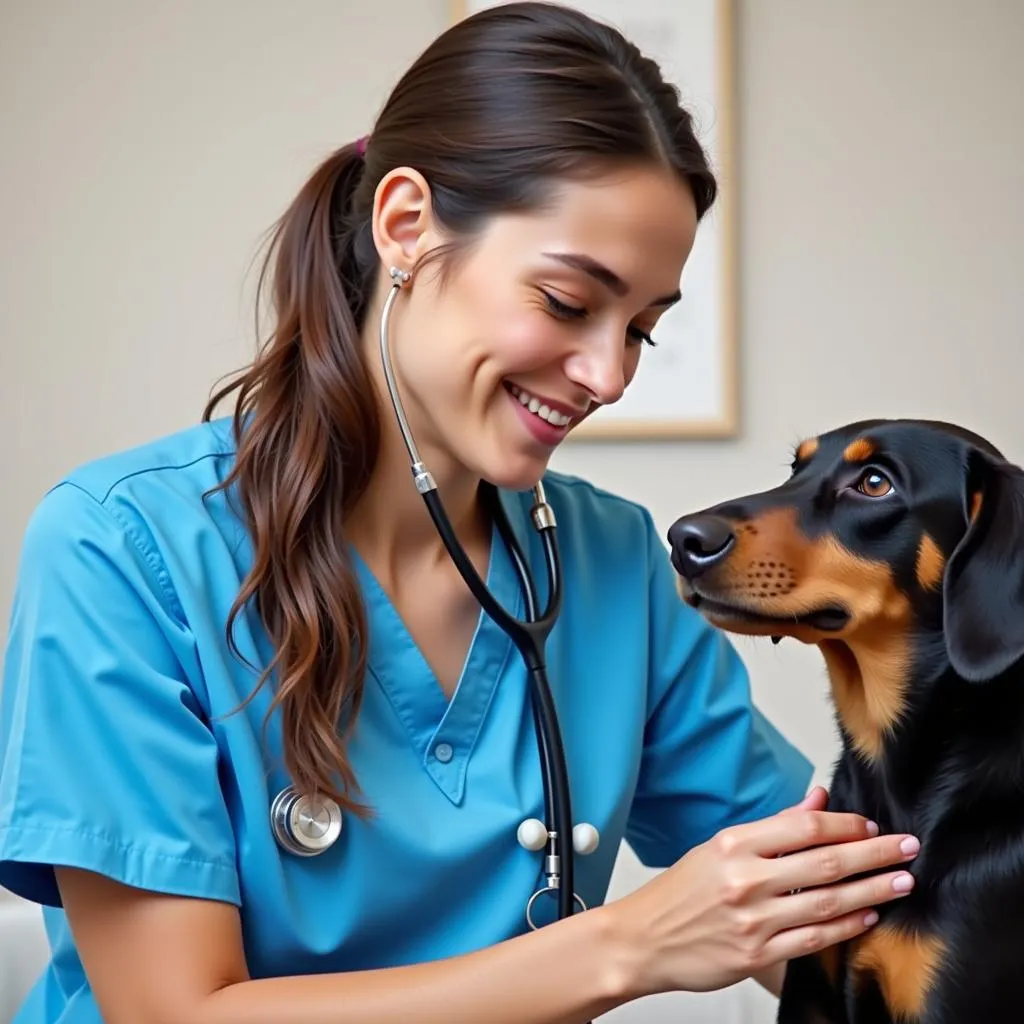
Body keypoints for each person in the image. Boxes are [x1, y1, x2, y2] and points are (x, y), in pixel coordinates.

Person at [0, 3, 920, 1022]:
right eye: (571, 302)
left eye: (642, 333)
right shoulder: (122, 548)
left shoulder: (609, 562)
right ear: (405, 225)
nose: (607, 375)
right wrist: (627, 945)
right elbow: (171, 1013)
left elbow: (828, 909)